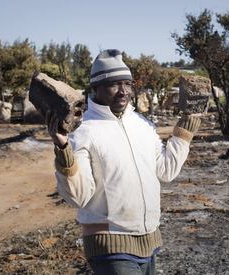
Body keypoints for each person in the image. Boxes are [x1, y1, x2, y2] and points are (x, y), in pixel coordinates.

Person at [46, 49, 200, 275]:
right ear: (95, 88)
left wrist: (185, 129)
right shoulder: (83, 131)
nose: (123, 92)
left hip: (149, 241)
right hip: (108, 243)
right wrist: (63, 149)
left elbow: (166, 171)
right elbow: (78, 197)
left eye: (127, 84)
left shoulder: (142, 124)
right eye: (114, 84)